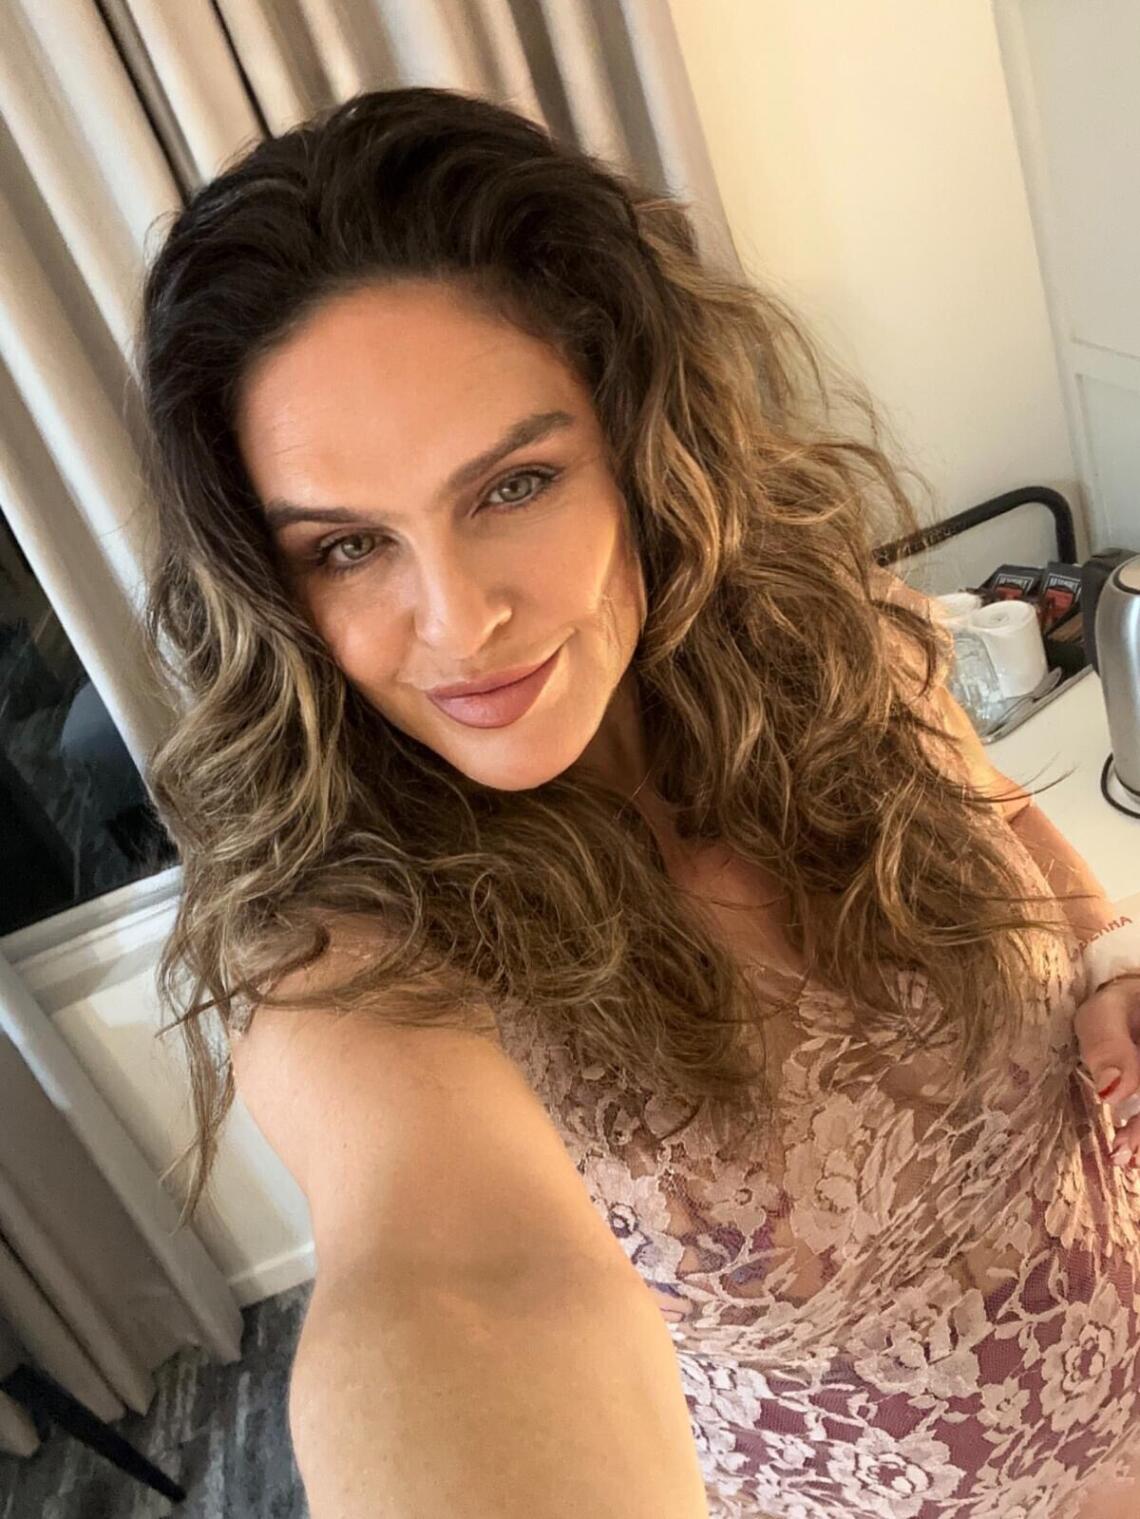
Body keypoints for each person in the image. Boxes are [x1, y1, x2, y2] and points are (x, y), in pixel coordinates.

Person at [137, 86, 1140, 1519]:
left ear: (639, 446)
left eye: (514, 484)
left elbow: (993, 814)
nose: (459, 621)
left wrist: (1107, 961)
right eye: (349, 545)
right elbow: (456, 1285)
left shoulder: (825, 636)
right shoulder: (355, 958)